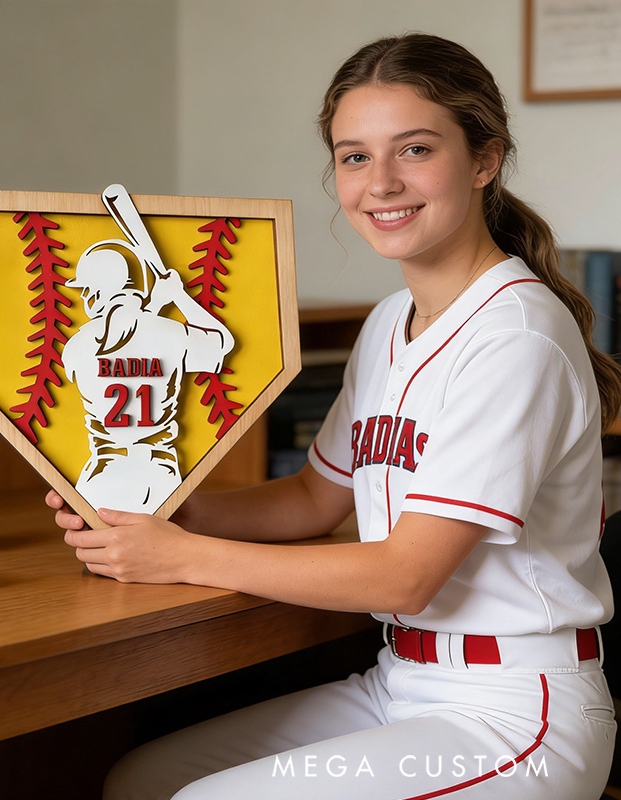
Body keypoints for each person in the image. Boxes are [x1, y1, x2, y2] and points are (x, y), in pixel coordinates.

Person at [47, 33, 620, 799]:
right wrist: (168, 513)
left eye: (415, 149)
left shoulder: (515, 335)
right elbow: (315, 498)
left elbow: (406, 575)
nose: (380, 183)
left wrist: (180, 557)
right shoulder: (388, 322)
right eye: (355, 157)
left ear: (484, 160)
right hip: (403, 680)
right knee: (143, 780)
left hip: (515, 715)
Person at [62, 243, 234, 513]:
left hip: (104, 476)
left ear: (100, 291)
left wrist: (156, 306)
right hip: (162, 477)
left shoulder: (77, 345)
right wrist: (177, 296)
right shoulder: (171, 333)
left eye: (87, 289)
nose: (84, 296)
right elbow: (221, 342)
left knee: (96, 538)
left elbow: (121, 343)